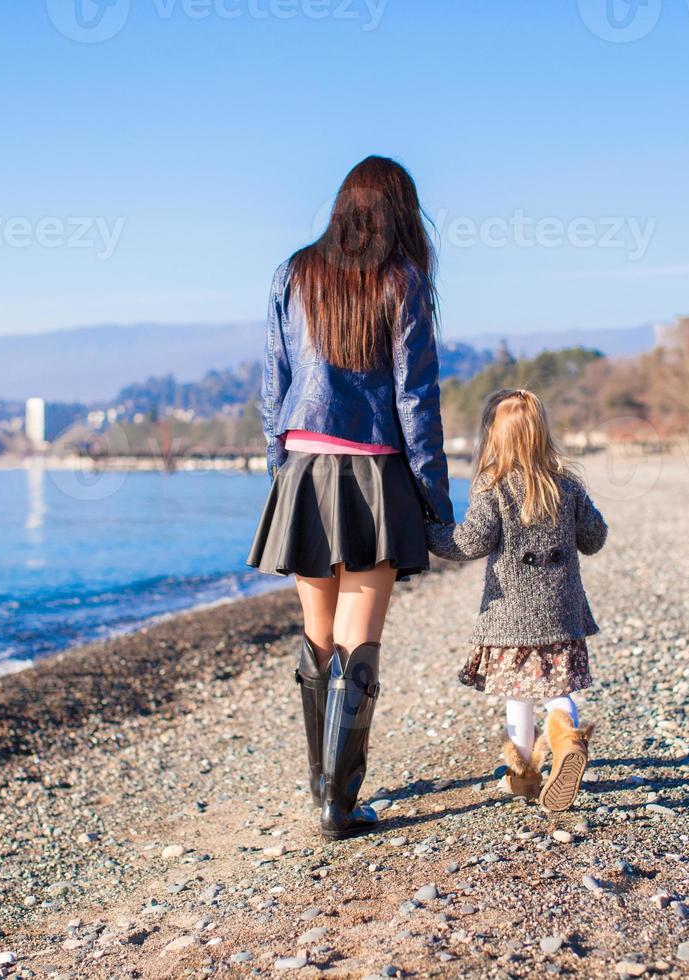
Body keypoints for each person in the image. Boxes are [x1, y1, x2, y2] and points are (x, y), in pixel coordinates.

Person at [247, 156, 451, 840]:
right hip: (374, 471)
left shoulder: (293, 272)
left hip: (304, 465)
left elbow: (272, 384)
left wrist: (284, 467)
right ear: (401, 210)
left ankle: (319, 788)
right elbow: (416, 398)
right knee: (358, 639)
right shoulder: (404, 278)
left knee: (319, 635)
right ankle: (340, 802)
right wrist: (434, 501)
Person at [425, 389, 606, 813]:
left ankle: (524, 775)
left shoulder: (494, 487)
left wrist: (429, 533)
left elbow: (469, 542)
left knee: (518, 697)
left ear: (493, 438)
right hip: (562, 615)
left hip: (510, 620)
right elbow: (595, 538)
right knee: (559, 690)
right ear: (543, 433)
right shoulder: (568, 486)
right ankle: (567, 742)